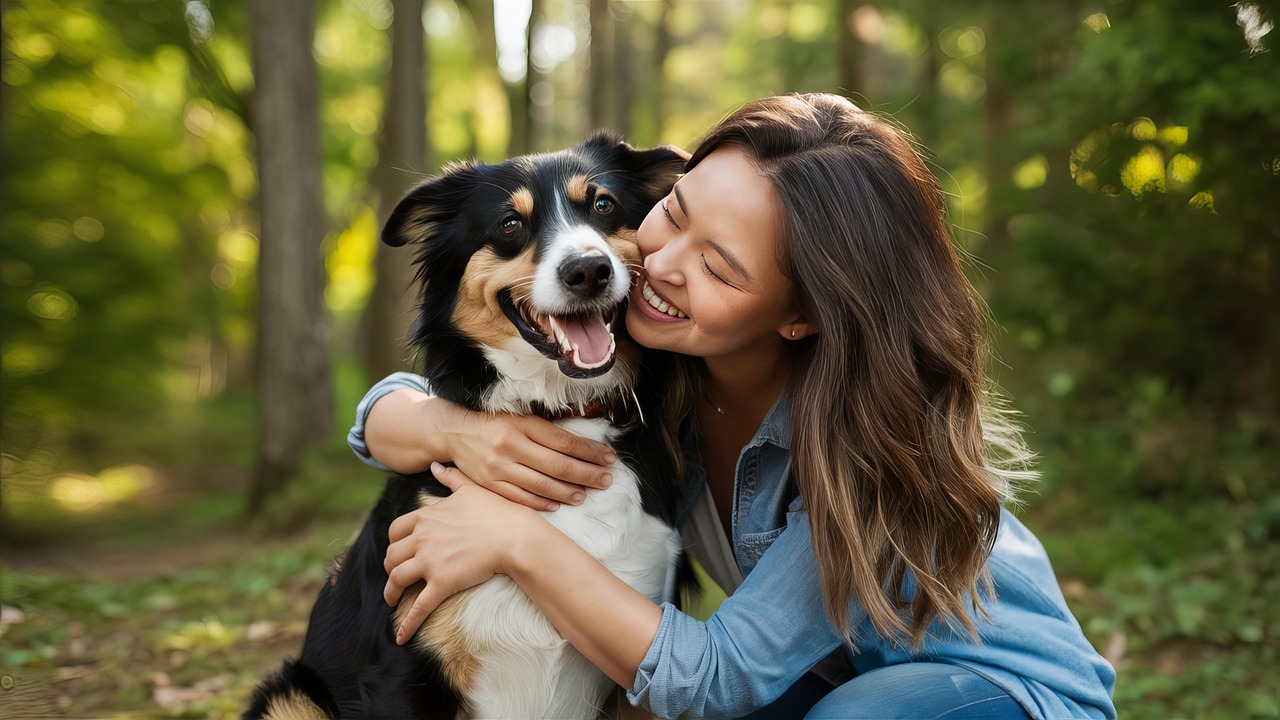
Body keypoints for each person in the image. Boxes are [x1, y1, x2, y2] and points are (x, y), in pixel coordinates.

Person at [348, 94, 1117, 719]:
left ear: (801, 315)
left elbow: (718, 676)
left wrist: (516, 538)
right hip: (823, 673)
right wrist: (440, 424)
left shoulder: (865, 449)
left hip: (999, 693)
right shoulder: (659, 373)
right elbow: (394, 406)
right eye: (676, 215)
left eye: (717, 265)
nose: (663, 266)